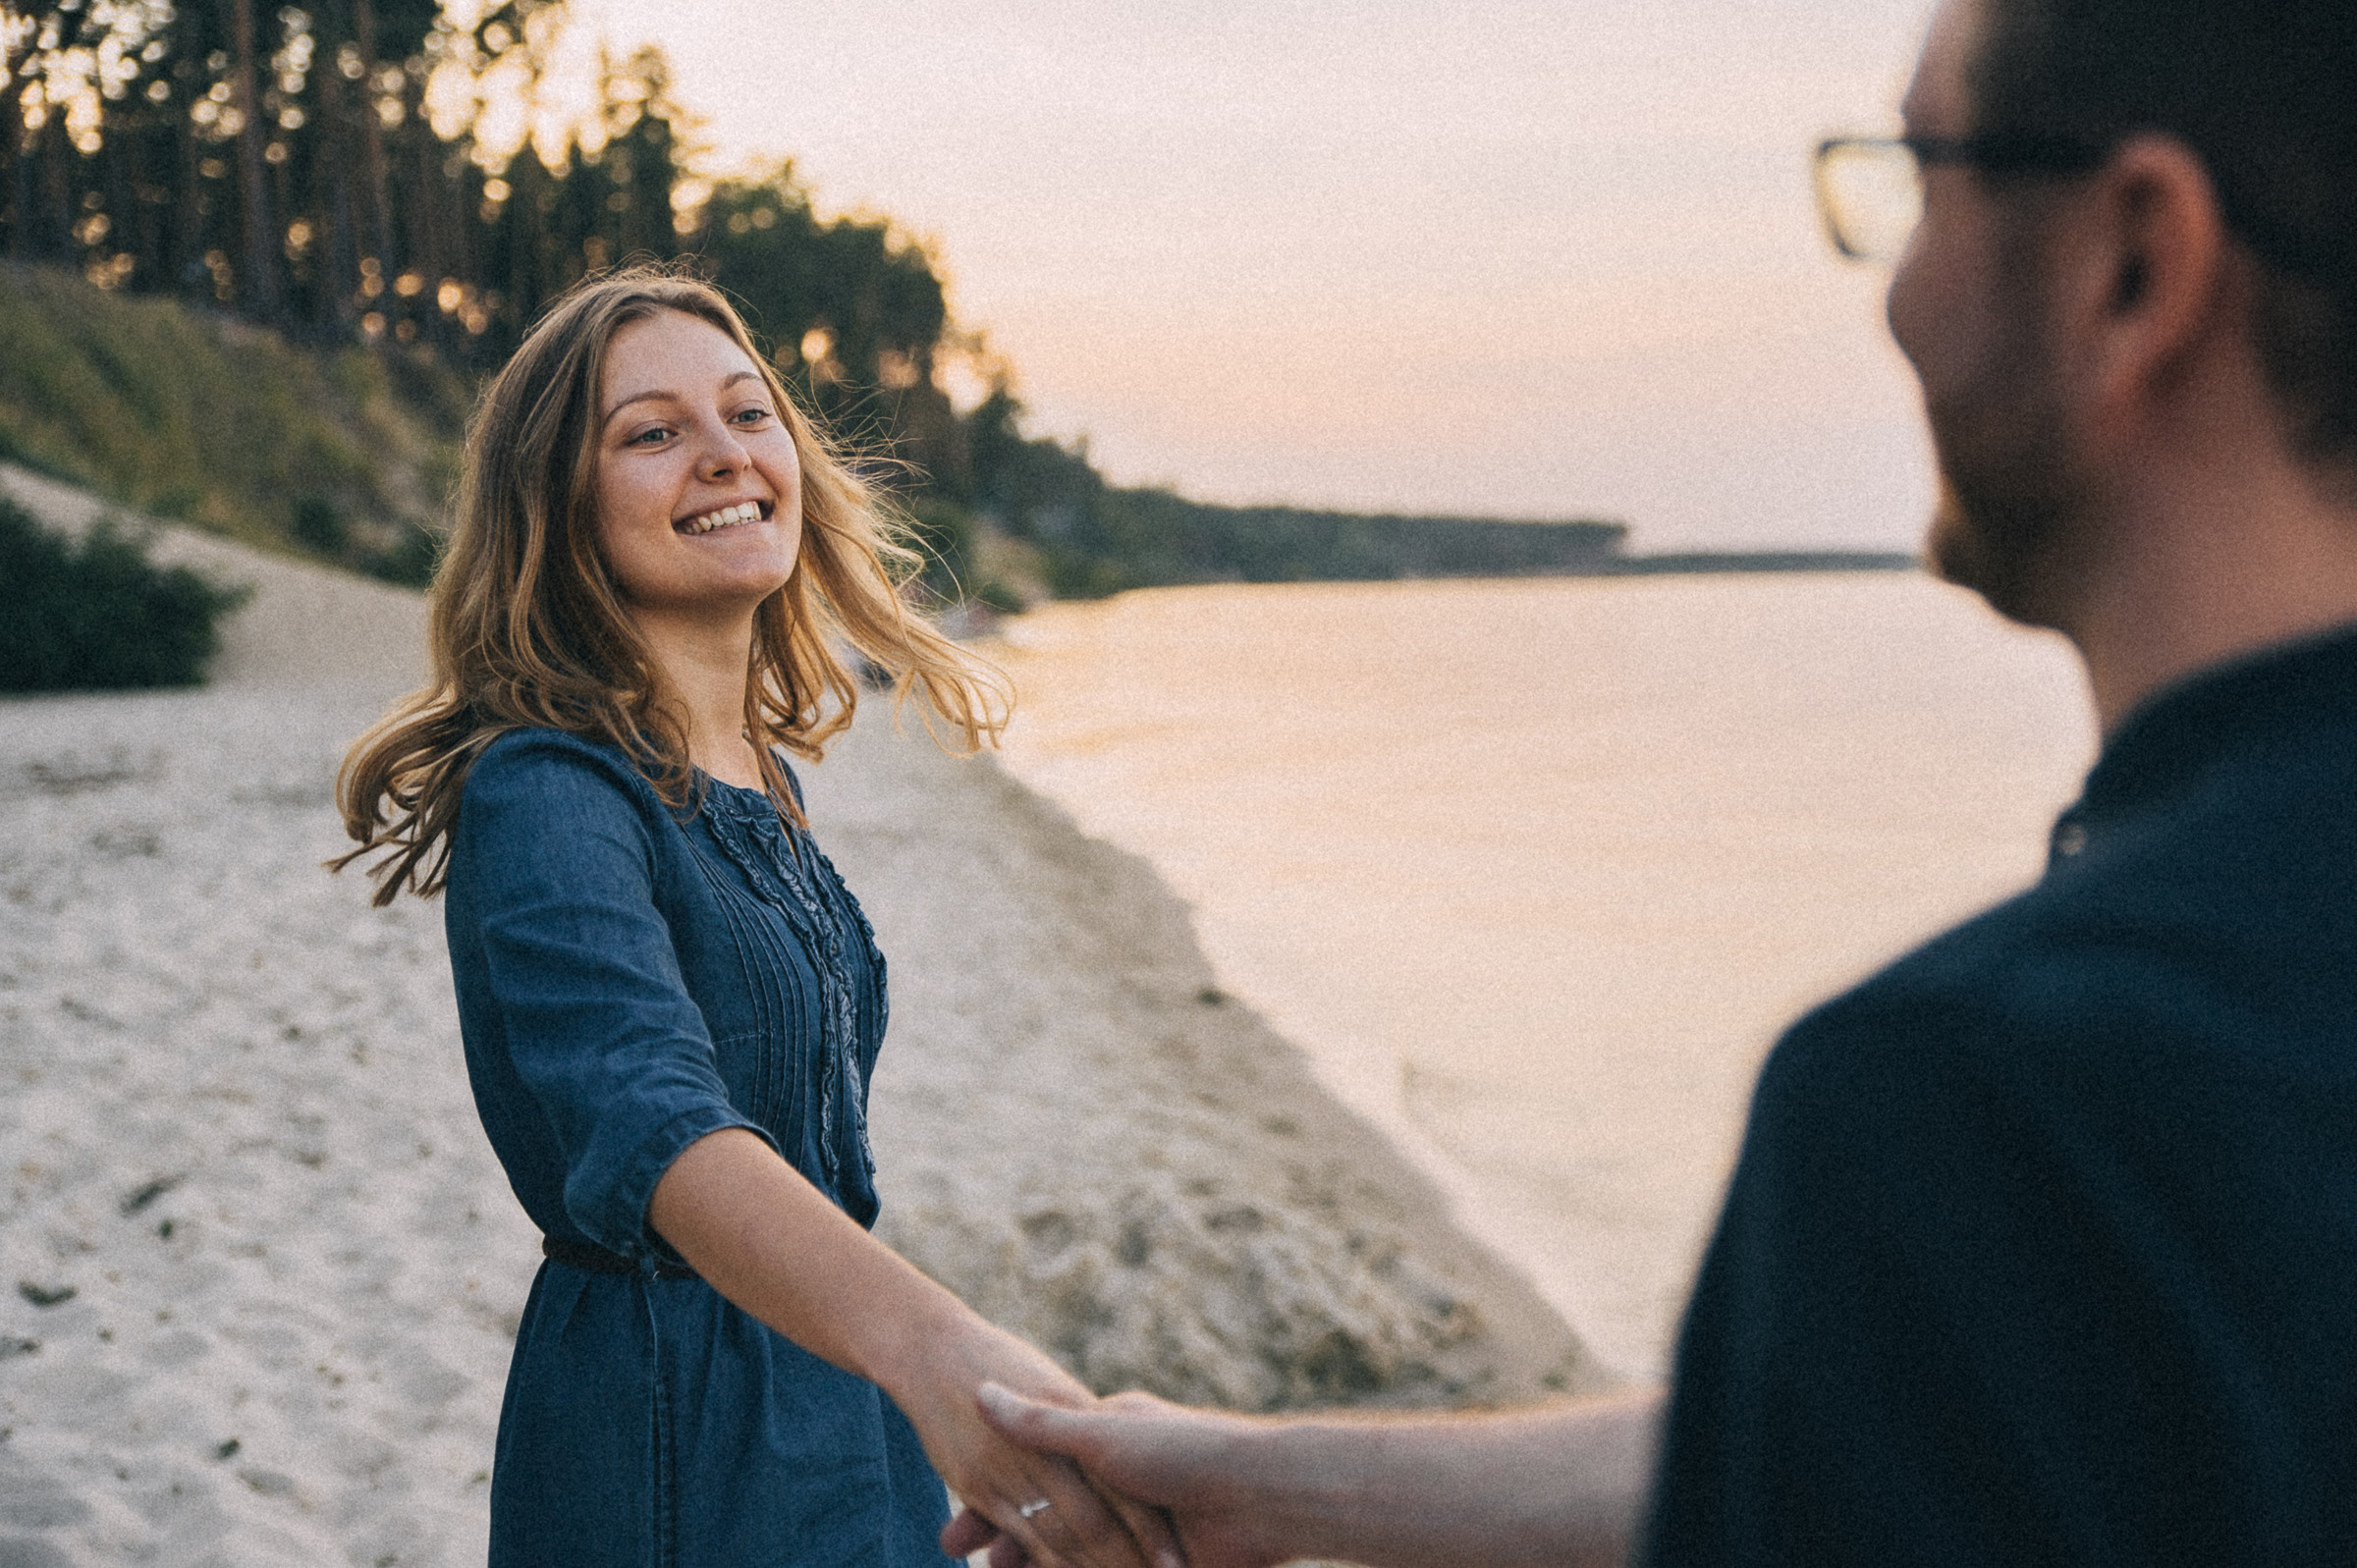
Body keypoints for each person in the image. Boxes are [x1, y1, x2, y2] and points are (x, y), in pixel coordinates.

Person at [959, 0, 2357, 1561]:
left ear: (2134, 266)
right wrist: (1272, 1484)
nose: (1892, 295)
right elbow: (1943, 1419)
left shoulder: (1968, 1106)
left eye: (1919, 179)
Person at [336, 266, 1179, 1568]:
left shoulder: (759, 778)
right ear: (557, 505)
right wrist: (937, 1344)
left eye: (748, 413)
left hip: (842, 1402)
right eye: (653, 431)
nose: (725, 454)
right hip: (680, 1434)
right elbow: (653, 1118)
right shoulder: (547, 787)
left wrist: (898, 1365)